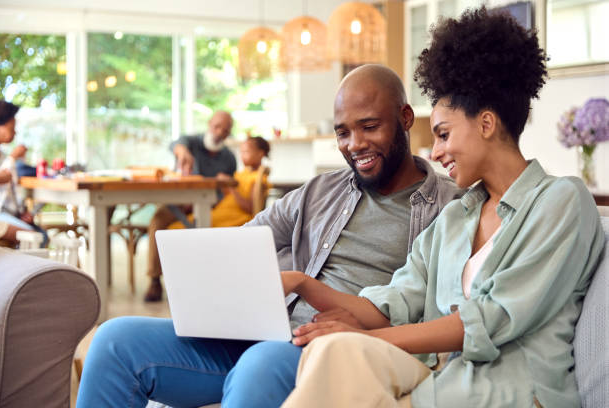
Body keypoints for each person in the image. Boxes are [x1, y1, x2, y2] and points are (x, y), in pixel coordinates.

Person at [76, 64, 463, 408]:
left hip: (339, 352)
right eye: (343, 132)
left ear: (406, 117)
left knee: (259, 366)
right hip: (272, 334)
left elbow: (441, 313)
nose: (355, 144)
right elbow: (240, 244)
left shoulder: (450, 207)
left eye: (369, 127)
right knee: (115, 341)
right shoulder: (319, 191)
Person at [278, 8, 605, 408]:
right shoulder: (455, 217)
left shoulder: (562, 202)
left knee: (343, 356)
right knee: (330, 352)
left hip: (510, 393)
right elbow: (394, 303)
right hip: (436, 380)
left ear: (486, 124)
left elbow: (488, 319)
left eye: (444, 134)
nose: (435, 152)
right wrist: (302, 284)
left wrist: (364, 339)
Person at [145, 110, 237, 301]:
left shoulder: (229, 158)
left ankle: (199, 282)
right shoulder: (192, 142)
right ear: (209, 124)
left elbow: (228, 190)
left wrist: (223, 184)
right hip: (177, 202)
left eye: (225, 130)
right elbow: (176, 145)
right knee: (157, 221)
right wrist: (182, 152)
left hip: (209, 204)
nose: (220, 132)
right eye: (217, 126)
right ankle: (154, 280)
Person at [168, 136, 271, 228]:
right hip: (223, 211)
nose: (242, 156)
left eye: (246, 152)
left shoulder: (259, 178)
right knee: (187, 221)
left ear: (260, 154)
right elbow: (229, 196)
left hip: (236, 217)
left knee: (178, 227)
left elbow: (251, 208)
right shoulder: (242, 174)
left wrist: (231, 187)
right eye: (241, 152)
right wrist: (224, 185)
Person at [0, 100, 45, 247]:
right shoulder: (8, 158)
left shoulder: (3, 156)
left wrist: (20, 212)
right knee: (36, 238)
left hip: (6, 214)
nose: (15, 133)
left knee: (41, 235)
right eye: (11, 128)